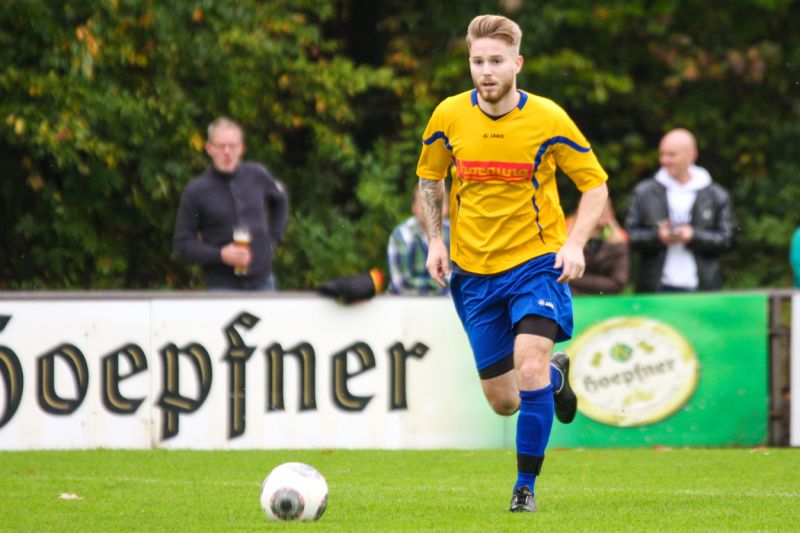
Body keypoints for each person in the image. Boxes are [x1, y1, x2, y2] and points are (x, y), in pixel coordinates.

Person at [416, 15, 609, 512]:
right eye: (478, 61)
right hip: (473, 272)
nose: (486, 71)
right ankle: (556, 379)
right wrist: (435, 241)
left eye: (496, 61)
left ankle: (525, 488)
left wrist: (575, 244)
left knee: (529, 365)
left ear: (517, 63)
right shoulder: (448, 115)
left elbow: (594, 185)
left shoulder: (548, 118)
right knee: (504, 400)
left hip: (535, 264)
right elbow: (431, 179)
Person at [173, 117, 289, 291]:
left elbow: (280, 200)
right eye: (221, 146)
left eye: (232, 146)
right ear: (209, 148)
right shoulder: (196, 191)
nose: (227, 151)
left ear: (241, 148)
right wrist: (220, 254)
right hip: (222, 286)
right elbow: (182, 246)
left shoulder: (258, 175)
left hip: (263, 283)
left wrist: (273, 239)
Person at [625, 128, 735, 293]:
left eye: (671, 155)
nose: (664, 160)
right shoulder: (644, 192)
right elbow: (629, 237)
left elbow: (728, 239)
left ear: (692, 155)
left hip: (702, 288)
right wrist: (658, 236)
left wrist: (693, 236)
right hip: (655, 288)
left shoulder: (716, 195)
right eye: (662, 154)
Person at [387, 188, 451, 295]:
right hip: (408, 302)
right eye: (424, 202)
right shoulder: (402, 236)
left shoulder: (457, 233)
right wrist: (443, 284)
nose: (431, 208)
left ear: (447, 207)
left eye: (438, 202)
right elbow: (402, 284)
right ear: (414, 207)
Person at [567, 198, 629, 295]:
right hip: (575, 297)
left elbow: (619, 282)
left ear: (611, 213)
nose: (600, 214)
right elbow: (564, 276)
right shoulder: (568, 240)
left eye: (604, 210)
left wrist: (578, 280)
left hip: (607, 299)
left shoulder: (618, 242)